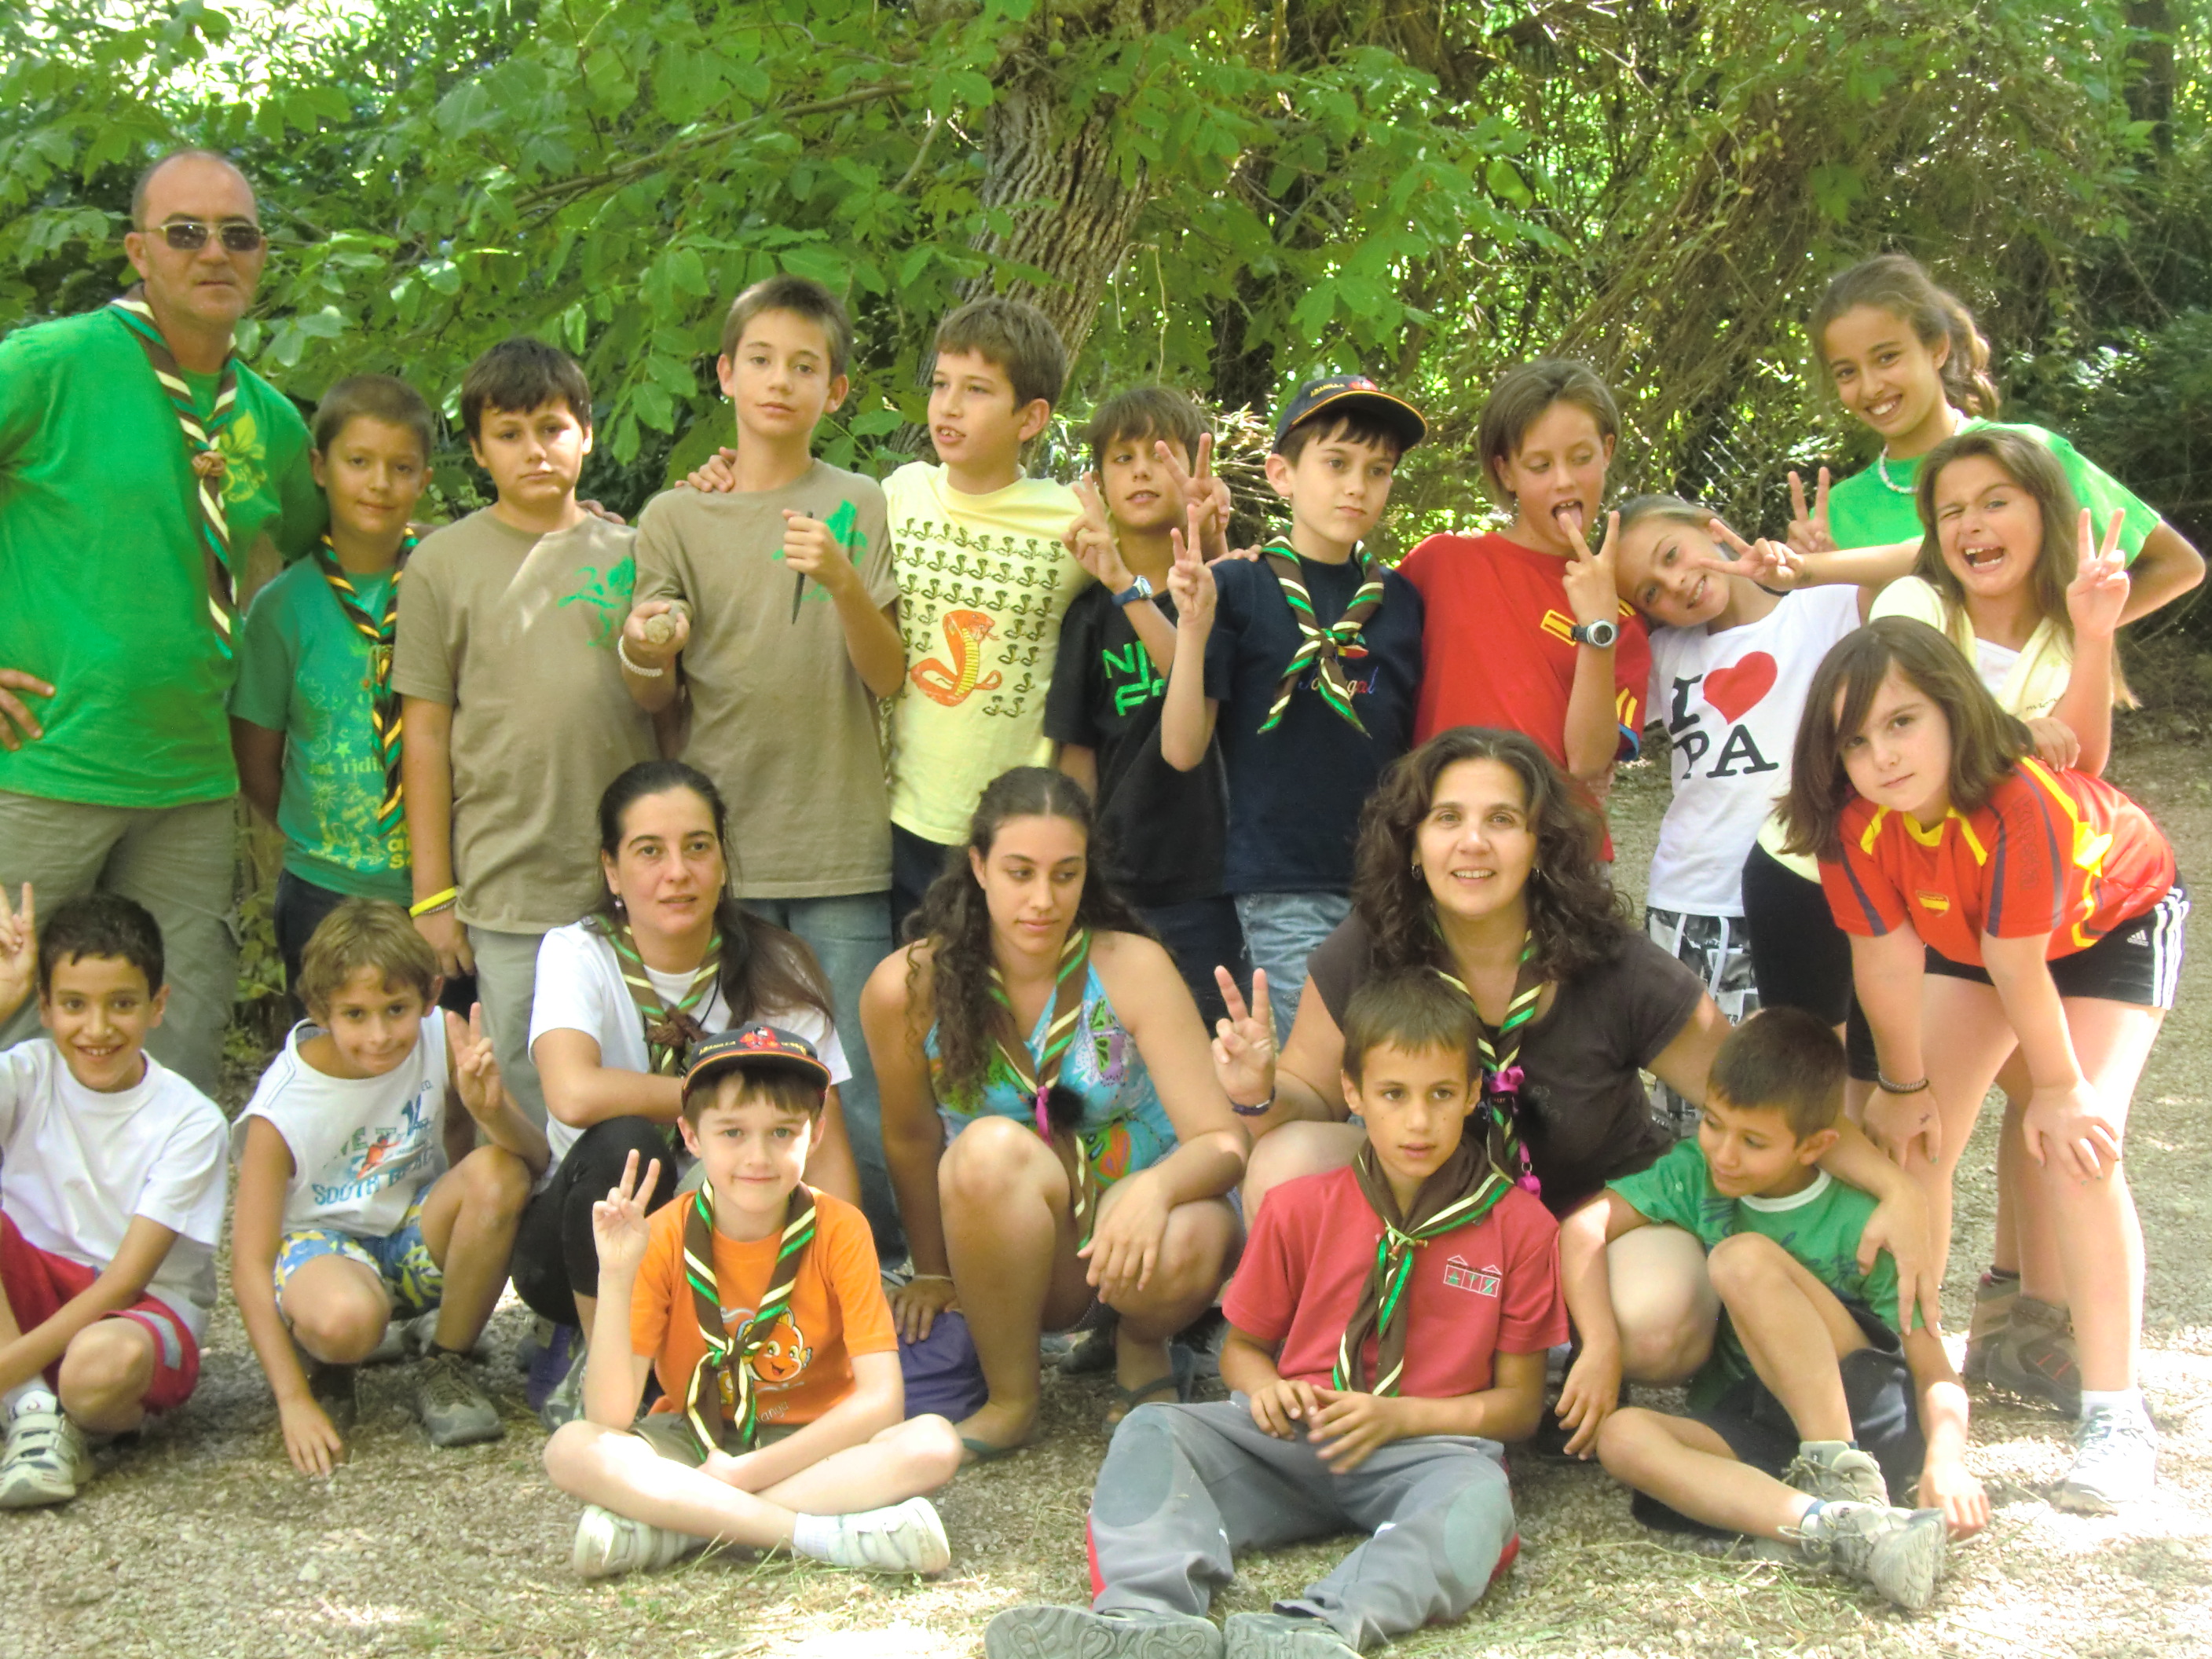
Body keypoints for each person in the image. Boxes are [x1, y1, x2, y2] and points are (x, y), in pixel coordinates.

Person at [1211, 727, 1937, 1452]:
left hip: (1583, 1227)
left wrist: (1895, 1188)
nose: (1473, 842)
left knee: (1663, 1317)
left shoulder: (1612, 961)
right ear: (1413, 843)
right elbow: (1308, 1100)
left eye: (1502, 820)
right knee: (1285, 1161)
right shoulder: (1373, 943)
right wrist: (1257, 1091)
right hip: (1429, 1220)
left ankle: (1560, 1372)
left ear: (1540, 846)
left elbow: (1765, 1099)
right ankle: (1364, 1361)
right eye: (1448, 818)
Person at [1763, 257, 2204, 1393]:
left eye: (1887, 356)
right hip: (1947, 872)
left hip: (2073, 885)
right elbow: (1903, 692)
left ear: (1940, 348)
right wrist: (1802, 567)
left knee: (2060, 1117)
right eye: (1949, 511)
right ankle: (1894, 1355)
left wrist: (2092, 632)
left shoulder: (2048, 542)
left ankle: (2054, 1346)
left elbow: (2081, 754)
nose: (1968, 522)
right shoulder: (1907, 579)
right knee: (1908, 1115)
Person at [985, 971, 1564, 1659]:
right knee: (1154, 1429)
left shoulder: (1522, 1227)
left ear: (1473, 1094)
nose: (1418, 1121)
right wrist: (1265, 1389)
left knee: (1480, 1503)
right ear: (1352, 1093)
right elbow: (1243, 1350)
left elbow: (1518, 1409)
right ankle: (1142, 1618)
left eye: (1441, 1094)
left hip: (1430, 1449)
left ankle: (1317, 1630)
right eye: (1393, 1094)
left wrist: (1399, 1417)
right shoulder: (1299, 1207)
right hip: (1294, 1439)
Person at [1780, 617, 2185, 1512]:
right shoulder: (1852, 824)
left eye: (1901, 722)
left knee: (2078, 1149)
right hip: (1976, 935)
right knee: (1908, 1146)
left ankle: (2115, 1413)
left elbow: (2018, 964)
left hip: (2111, 921)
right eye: (1854, 741)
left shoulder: (2014, 799)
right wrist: (1903, 1086)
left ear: (1954, 710)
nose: (1881, 757)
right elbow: (1884, 958)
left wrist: (2060, 1089)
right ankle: (1912, 1370)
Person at [0, 149, 324, 1090]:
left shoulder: (268, 421)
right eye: (186, 232)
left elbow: (348, 541)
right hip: (45, 767)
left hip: (192, 784)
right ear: (138, 251)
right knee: (14, 1040)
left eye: (238, 235)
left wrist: (549, 521)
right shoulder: (51, 366)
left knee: (177, 1055)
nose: (214, 252)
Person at [619, 274, 905, 1258]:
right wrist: (647, 644)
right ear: (725, 375)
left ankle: (869, 1267)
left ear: (835, 389)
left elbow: (888, 675)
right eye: (761, 360)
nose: (780, 381)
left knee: (852, 1084)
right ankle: (726, 1267)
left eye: (804, 365)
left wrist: (840, 580)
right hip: (716, 858)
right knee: (727, 1087)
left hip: (837, 846)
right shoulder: (675, 515)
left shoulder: (857, 503)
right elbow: (653, 693)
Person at [862, 767, 1248, 1461]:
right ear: (979, 866)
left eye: (1065, 875)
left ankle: (1141, 1344)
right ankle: (1012, 1400)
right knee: (986, 1148)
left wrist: (1154, 1189)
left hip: (1140, 1245)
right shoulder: (907, 986)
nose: (1043, 900)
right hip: (1015, 1250)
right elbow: (912, 1139)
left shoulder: (1132, 966)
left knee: (1198, 1229)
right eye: (1020, 873)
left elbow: (1223, 1140)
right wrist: (933, 1272)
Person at [1587, 1009, 1987, 1613]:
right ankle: (1836, 1528)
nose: (1725, 1154)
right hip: (1764, 1423)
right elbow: (1587, 1226)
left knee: (1741, 1259)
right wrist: (1597, 1346)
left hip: (1863, 1412)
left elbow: (1936, 1374)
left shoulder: (1865, 1220)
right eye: (1713, 1124)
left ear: (1817, 1145)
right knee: (1622, 1436)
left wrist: (1947, 1462)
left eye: (1753, 1142)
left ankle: (1840, 1470)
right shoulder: (1698, 1174)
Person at [541, 1028, 963, 1580]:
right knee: (572, 1447)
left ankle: (677, 1525)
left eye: (782, 1132)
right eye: (733, 1132)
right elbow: (609, 1416)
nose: (758, 1157)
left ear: (816, 1134)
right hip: (694, 1438)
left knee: (934, 1443)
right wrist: (617, 1276)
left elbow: (882, 1402)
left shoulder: (841, 1229)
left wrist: (747, 1474)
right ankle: (819, 1537)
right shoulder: (663, 1234)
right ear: (691, 1135)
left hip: (813, 1442)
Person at [522, 761, 862, 1426]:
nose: (677, 872)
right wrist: (721, 1097)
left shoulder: (777, 964)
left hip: (725, 1233)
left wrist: (847, 1286)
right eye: (649, 852)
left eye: (697, 847)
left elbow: (823, 1139)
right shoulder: (576, 952)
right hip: (582, 1242)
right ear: (612, 870)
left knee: (750, 1165)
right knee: (625, 1142)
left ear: (723, 862)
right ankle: (607, 1365)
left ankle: (706, 1353)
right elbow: (572, 1093)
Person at [394, 337, 661, 1131]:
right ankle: (528, 1214)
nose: (534, 451)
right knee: (518, 1084)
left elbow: (671, 708)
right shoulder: (441, 564)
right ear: (478, 450)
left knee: (631, 1070)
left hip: (629, 880)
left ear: (587, 433)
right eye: (508, 434)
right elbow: (424, 733)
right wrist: (432, 894)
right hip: (507, 877)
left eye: (552, 428)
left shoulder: (636, 554)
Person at [230, 899, 548, 1472]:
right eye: (355, 1014)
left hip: (409, 1232)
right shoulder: (281, 1108)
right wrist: (290, 1401)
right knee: (346, 1320)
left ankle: (446, 1362)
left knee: (501, 1171)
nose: (379, 1035)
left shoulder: (441, 1037)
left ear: (430, 996)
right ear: (319, 1010)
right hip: (322, 1249)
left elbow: (534, 1160)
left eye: (396, 1009)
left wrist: (492, 1111)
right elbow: (249, 1263)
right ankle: (326, 1362)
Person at [1158, 375, 1427, 1043]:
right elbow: (1182, 750)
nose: (1356, 486)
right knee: (1315, 1062)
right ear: (1282, 474)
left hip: (1387, 882)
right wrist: (1193, 628)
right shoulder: (1238, 586)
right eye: (1336, 463)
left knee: (1380, 1061)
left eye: (1378, 470)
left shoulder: (1402, 603)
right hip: (1281, 881)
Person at [1607, 496, 1862, 1133]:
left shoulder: (1824, 606)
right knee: (1697, 1114)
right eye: (1651, 591)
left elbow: (1934, 569)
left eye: (1672, 554)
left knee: (1798, 1108)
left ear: (1707, 524)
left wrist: (1824, 567)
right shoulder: (1666, 653)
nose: (1675, 584)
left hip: (1803, 896)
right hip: (1691, 901)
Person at [0, 889, 227, 1508]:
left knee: (95, 1371)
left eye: (122, 1004)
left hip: (135, 1313)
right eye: (74, 1004)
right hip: (31, 1296)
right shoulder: (25, 1073)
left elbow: (125, 1282)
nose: (97, 1029)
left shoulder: (191, 1121)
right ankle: (35, 1411)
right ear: (44, 1007)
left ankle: (46, 1409)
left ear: (158, 1006)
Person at [230, 375, 443, 1005]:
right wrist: (320, 838)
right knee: (338, 1046)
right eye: (359, 462)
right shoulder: (282, 608)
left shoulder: (451, 580)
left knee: (449, 1051)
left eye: (401, 468)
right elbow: (256, 760)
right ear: (320, 468)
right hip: (324, 888)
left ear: (424, 479)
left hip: (442, 886)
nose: (380, 483)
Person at [1046, 386, 1247, 1030]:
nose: (1140, 471)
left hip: (1214, 878)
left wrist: (1213, 537)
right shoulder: (1086, 616)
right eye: (1121, 458)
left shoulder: (1230, 589)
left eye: (1159, 455)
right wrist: (1074, 868)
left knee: (1215, 1049)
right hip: (1119, 875)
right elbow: (1077, 757)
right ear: (1100, 482)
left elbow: (1205, 693)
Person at [884, 298, 1085, 929]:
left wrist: (1216, 540)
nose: (948, 406)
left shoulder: (1073, 517)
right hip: (899, 815)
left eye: (976, 390)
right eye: (941, 384)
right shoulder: (899, 494)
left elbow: (1159, 580)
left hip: (1014, 832)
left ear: (1032, 418)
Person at [1395, 360, 1650, 822]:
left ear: (1607, 451)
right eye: (1540, 465)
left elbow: (1588, 762)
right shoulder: (1441, 563)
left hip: (1562, 848)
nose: (1564, 480)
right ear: (1506, 471)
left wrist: (1598, 628)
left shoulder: (1623, 615)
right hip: (1451, 840)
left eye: (1581, 458)